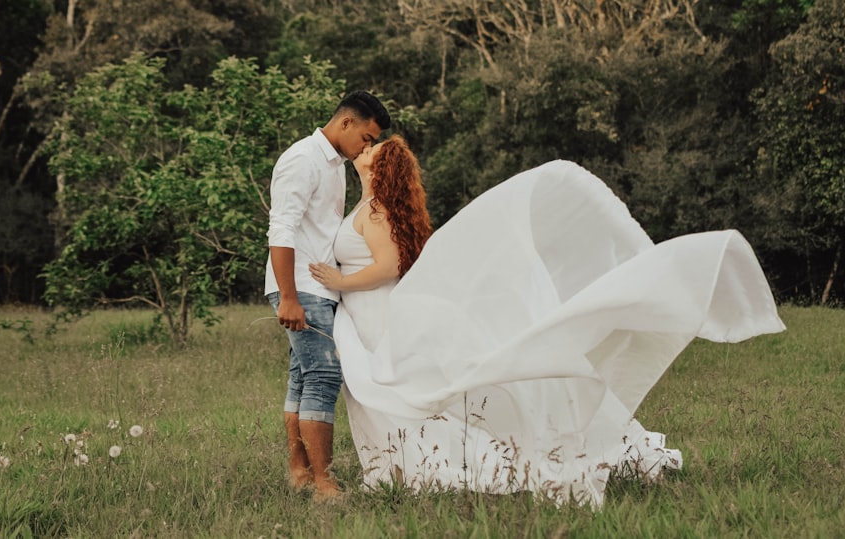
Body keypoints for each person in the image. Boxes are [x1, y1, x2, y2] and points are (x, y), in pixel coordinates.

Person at [311, 154, 786, 508]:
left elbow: (390, 265)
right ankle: (399, 460)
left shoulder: (374, 211)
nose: (366, 148)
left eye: (374, 147)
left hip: (374, 309)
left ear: (382, 166)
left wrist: (339, 281)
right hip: (367, 315)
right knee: (388, 390)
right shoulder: (368, 203)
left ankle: (430, 461)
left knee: (396, 389)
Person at [264, 90, 391, 501]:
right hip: (301, 286)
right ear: (346, 123)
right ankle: (324, 483)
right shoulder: (304, 159)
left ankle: (300, 472)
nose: (367, 146)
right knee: (324, 376)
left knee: (302, 377)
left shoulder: (335, 164)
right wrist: (288, 297)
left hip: (316, 287)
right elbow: (281, 228)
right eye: (367, 138)